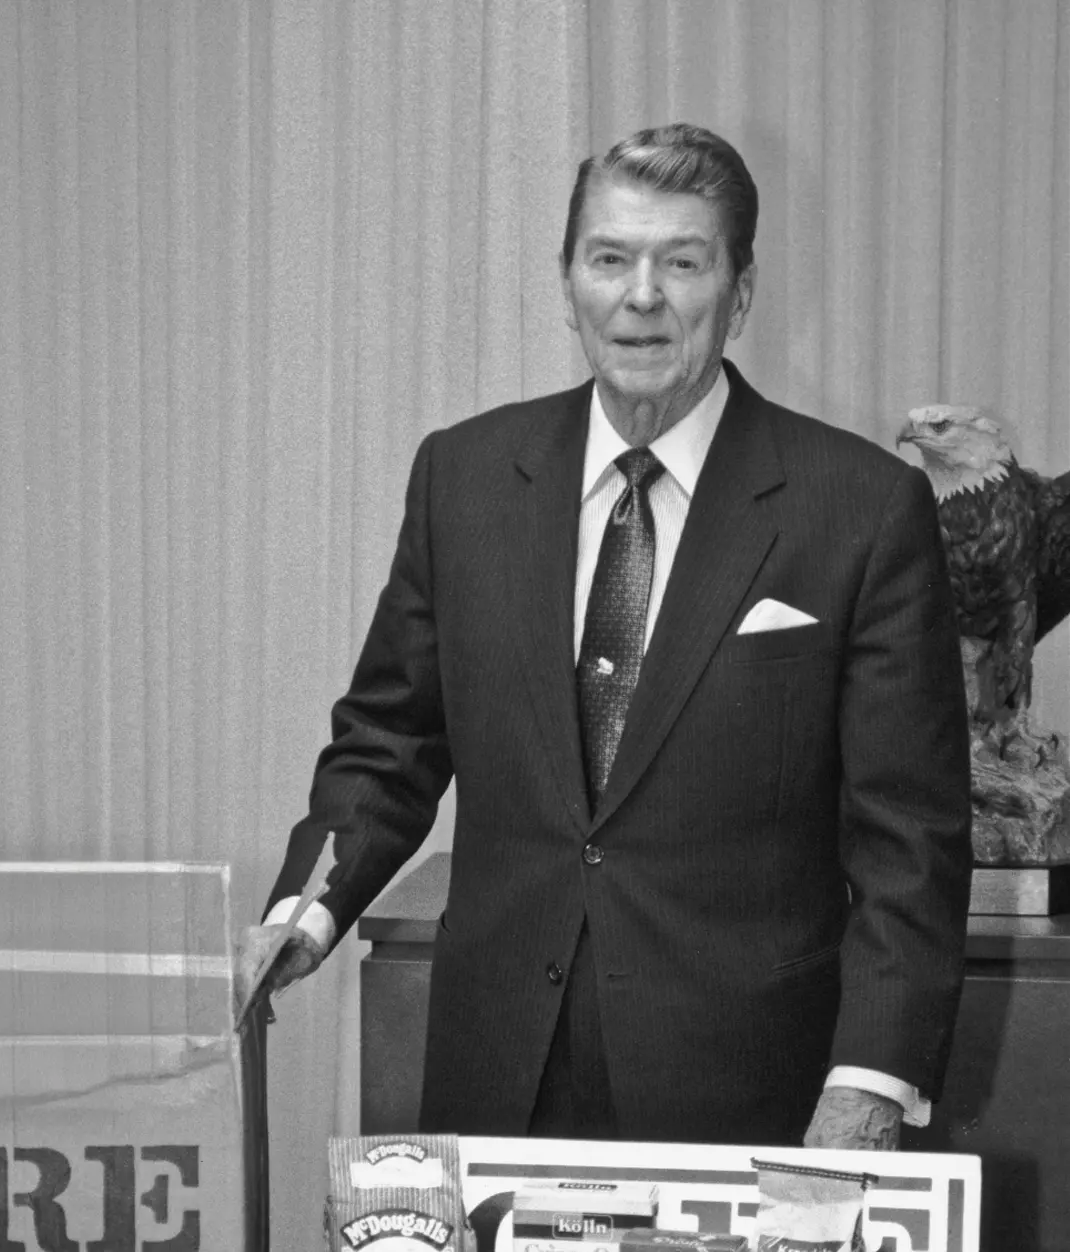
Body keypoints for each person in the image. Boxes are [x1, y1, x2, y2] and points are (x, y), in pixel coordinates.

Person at [239, 123, 971, 1152]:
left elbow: (912, 839)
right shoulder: (464, 477)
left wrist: (872, 1080)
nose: (643, 295)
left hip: (750, 1093)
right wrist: (303, 912)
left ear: (741, 291)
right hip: (500, 1073)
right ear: (567, 281)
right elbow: (389, 740)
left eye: (683, 261)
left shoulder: (861, 508)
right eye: (611, 258)